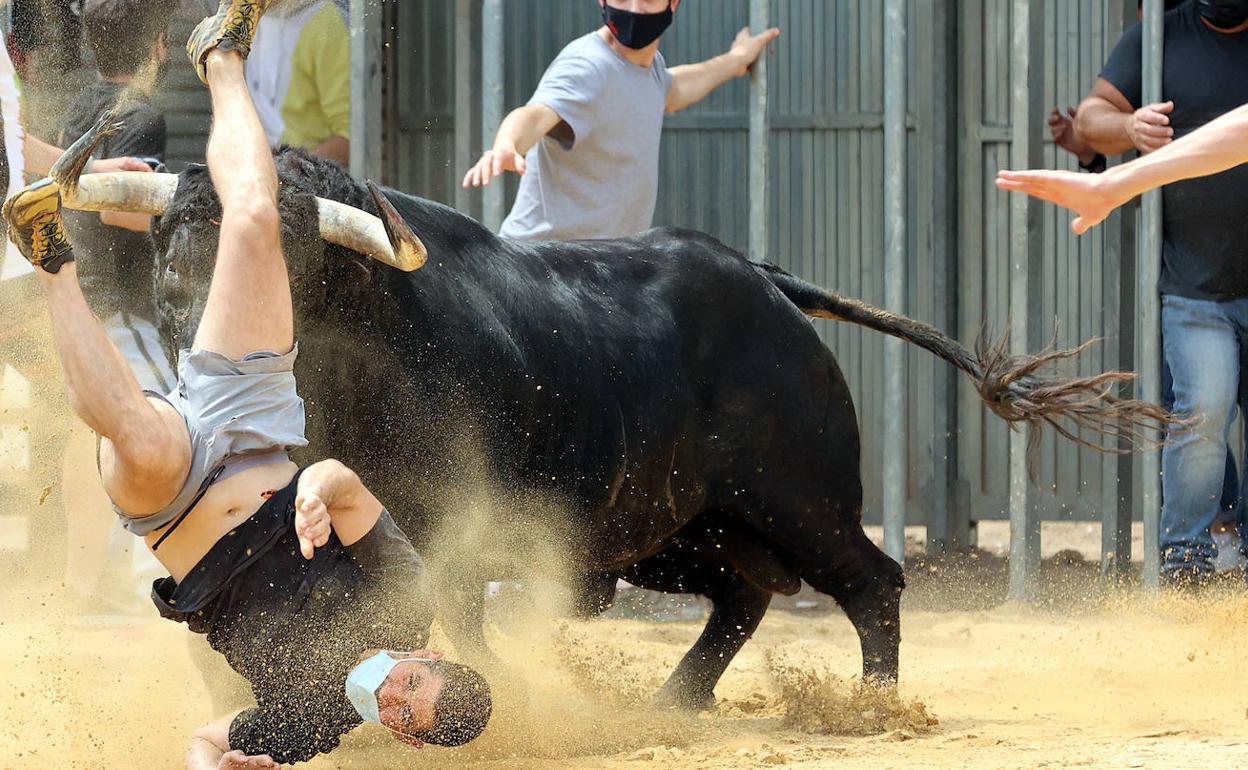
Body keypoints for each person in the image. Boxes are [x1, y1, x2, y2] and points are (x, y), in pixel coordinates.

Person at [2, 1, 490, 765]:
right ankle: (221, 53)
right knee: (258, 216)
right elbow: (346, 483)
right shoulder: (408, 600)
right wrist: (315, 496)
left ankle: (48, 252)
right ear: (424, 659)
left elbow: (206, 740)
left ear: (400, 732)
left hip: (175, 497)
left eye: (403, 714)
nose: (392, 697)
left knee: (131, 430)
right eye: (410, 686)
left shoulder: (305, 727)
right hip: (258, 427)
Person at [1003, 0, 1248, 585]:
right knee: (1201, 415)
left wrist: (1114, 181)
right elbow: (1097, 118)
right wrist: (1125, 140)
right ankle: (1188, 560)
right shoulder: (1159, 37)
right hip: (1197, 285)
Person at [462, 0, 780, 240]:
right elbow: (534, 114)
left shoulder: (648, 69)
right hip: (543, 271)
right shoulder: (587, 66)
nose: (634, 8)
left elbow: (675, 88)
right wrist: (506, 144)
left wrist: (737, 59)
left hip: (596, 271)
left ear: (674, 3)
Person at [244, 0, 350, 165]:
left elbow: (350, 138)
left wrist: (285, 174)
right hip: (258, 169)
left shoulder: (328, 24)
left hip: (307, 179)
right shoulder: (247, 17)